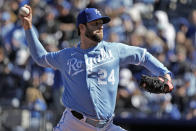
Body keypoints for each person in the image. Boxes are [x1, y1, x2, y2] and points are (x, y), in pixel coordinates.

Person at [20, 5, 173, 131]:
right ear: (82, 27)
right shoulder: (67, 55)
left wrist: (164, 73)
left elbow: (143, 56)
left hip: (106, 126)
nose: (100, 27)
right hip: (74, 125)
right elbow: (41, 57)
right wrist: (28, 28)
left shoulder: (114, 50)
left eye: (101, 23)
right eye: (95, 23)